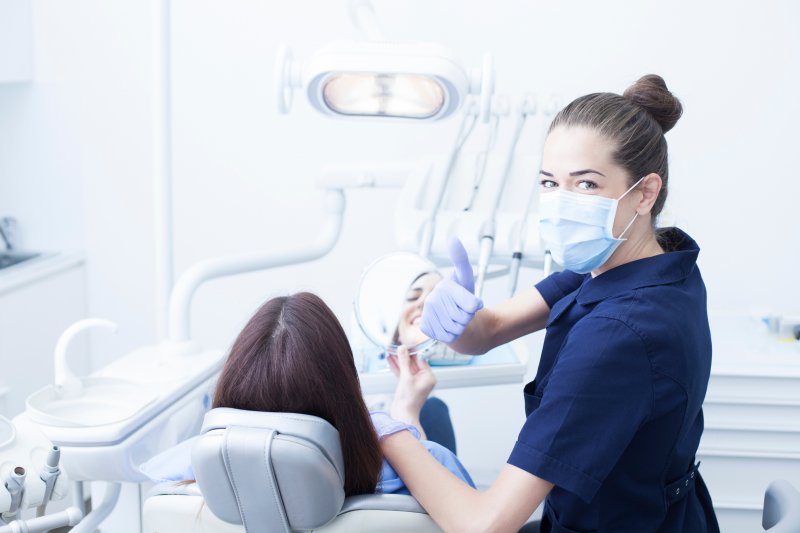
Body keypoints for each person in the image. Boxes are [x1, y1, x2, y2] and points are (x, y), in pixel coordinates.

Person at [379, 74, 720, 532]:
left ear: (644, 191)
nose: (560, 204)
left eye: (586, 186)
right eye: (548, 182)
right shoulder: (651, 260)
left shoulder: (618, 335)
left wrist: (389, 431)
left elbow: (484, 524)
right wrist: (460, 322)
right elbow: (491, 329)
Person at [139, 291, 472, 497]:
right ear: (345, 390)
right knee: (435, 411)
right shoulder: (424, 464)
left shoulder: (181, 478)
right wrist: (406, 424)